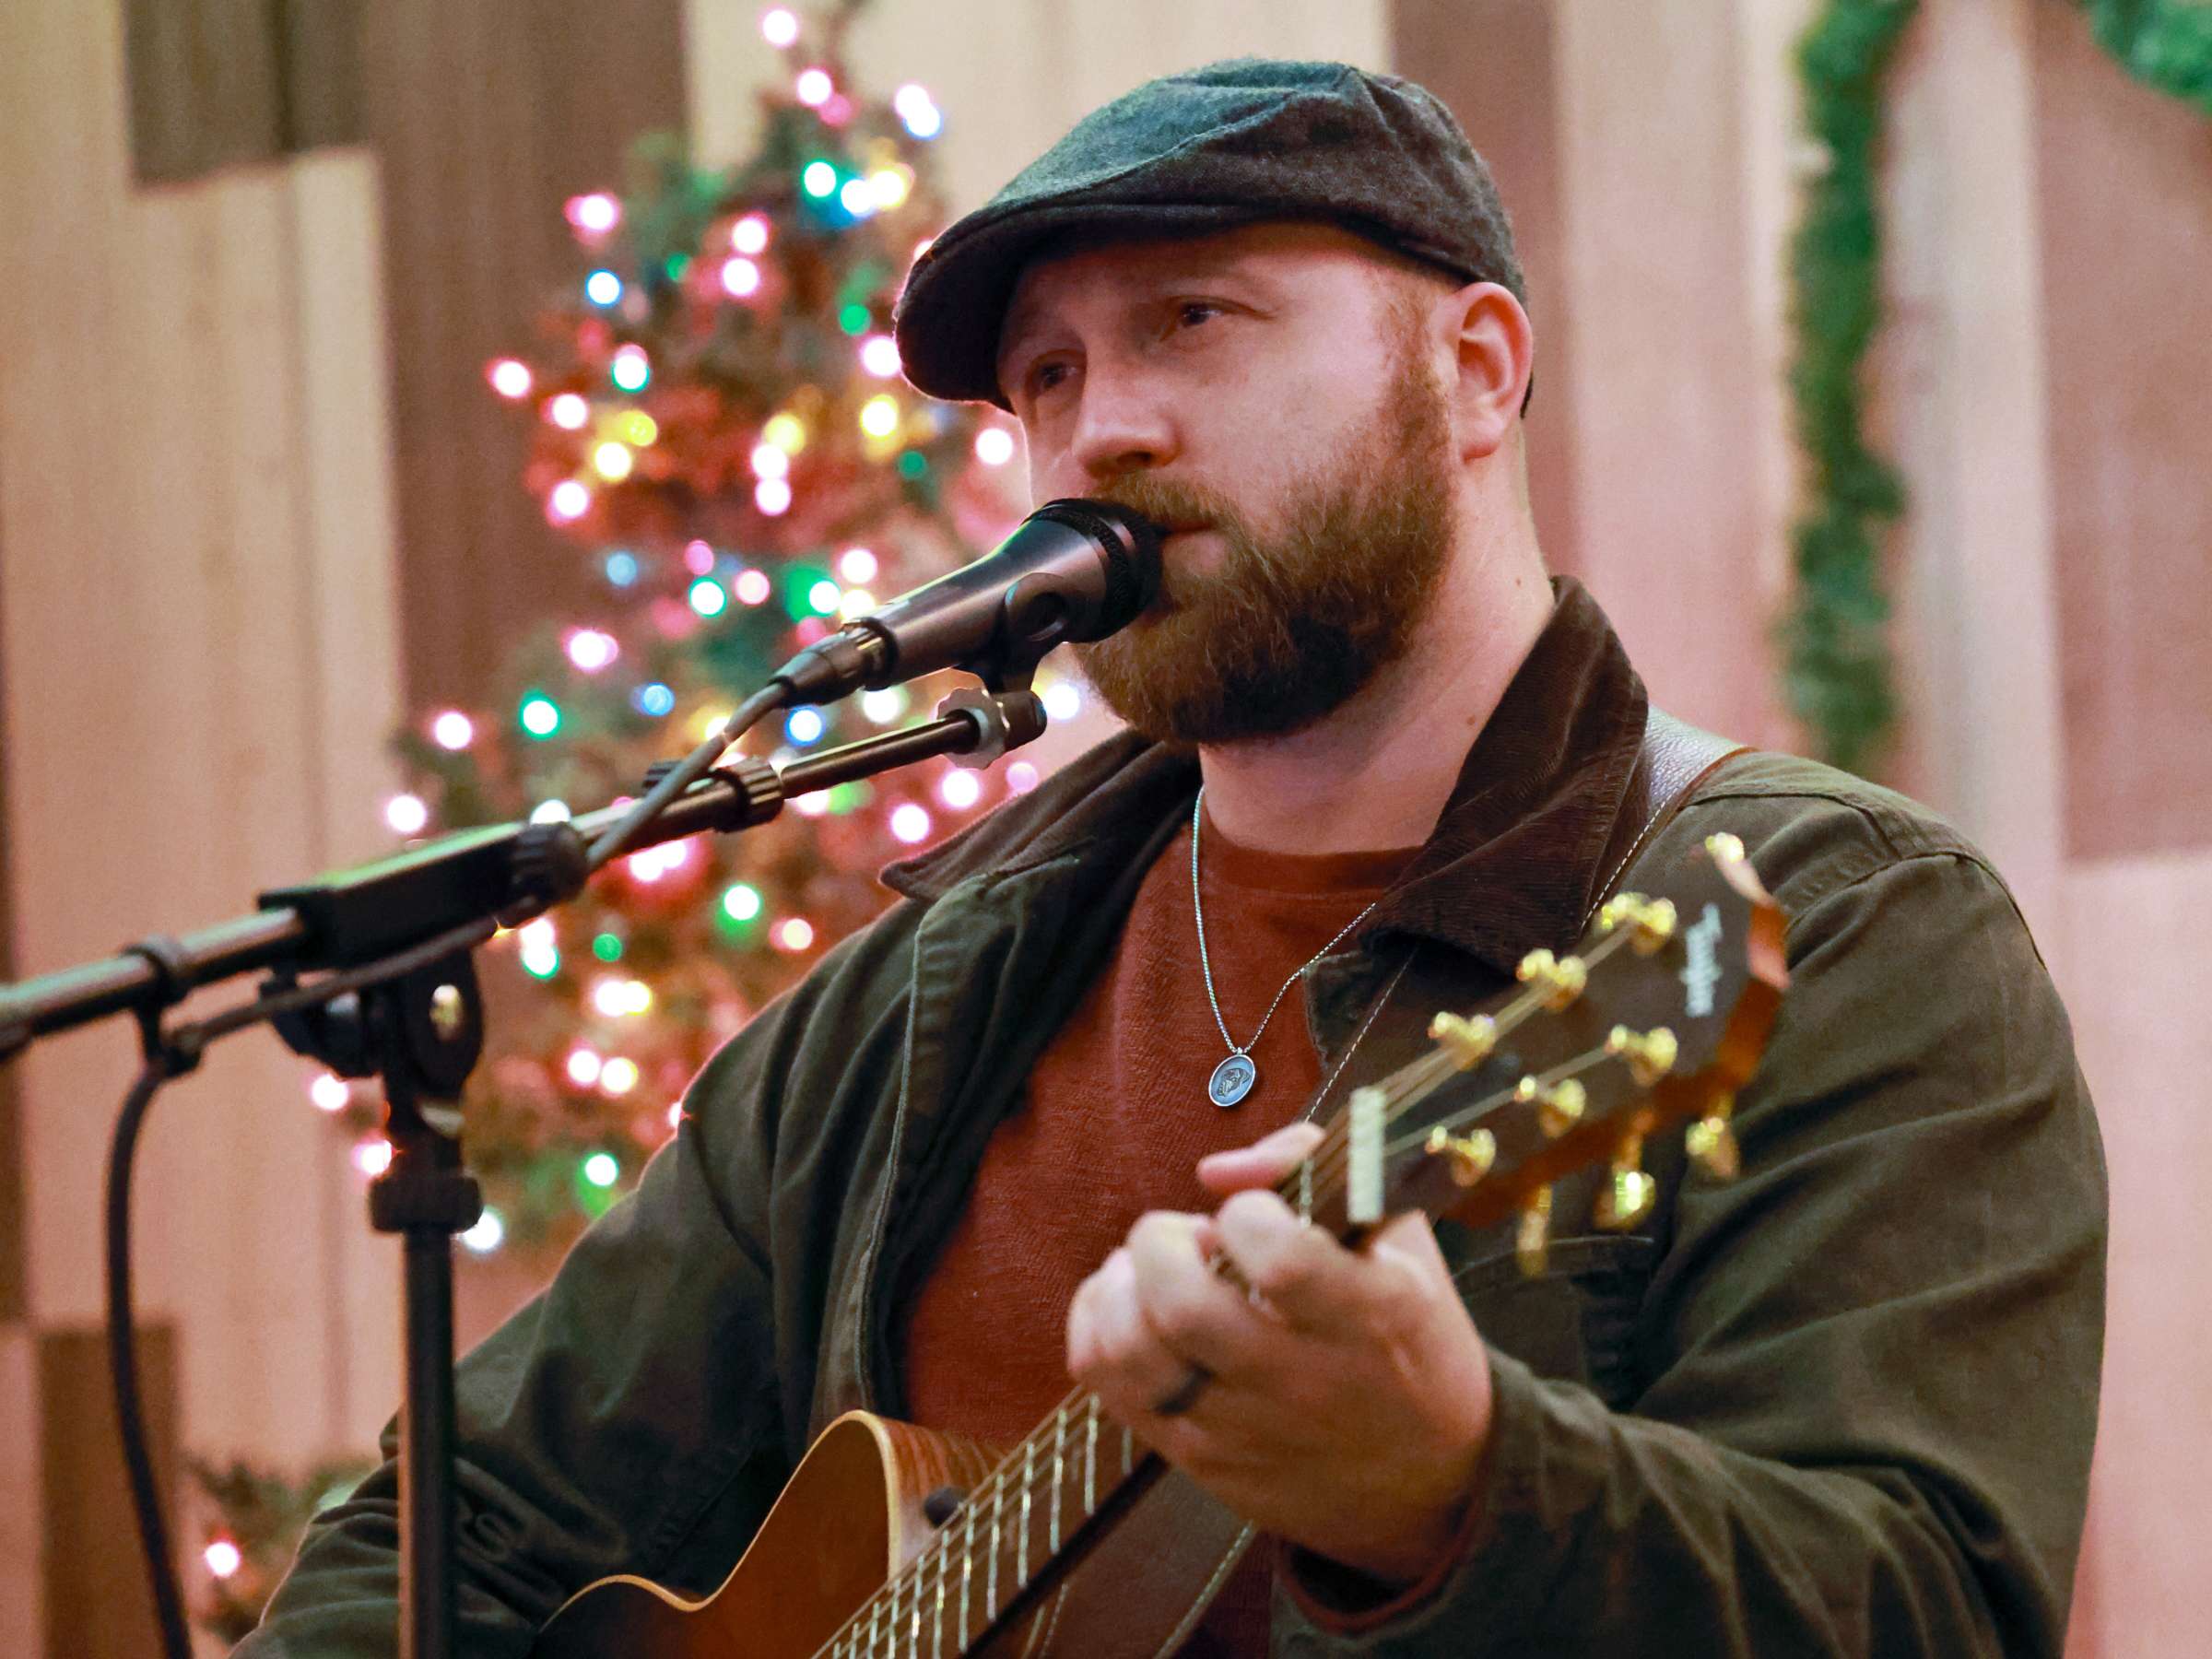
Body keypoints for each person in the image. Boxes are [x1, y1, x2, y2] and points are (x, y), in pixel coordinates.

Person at [241, 59, 2105, 1658]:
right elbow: (448, 1530)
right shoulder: (920, 999)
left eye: (1190, 324)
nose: (1098, 430)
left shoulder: (1822, 920)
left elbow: (1927, 1598)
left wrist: (1460, 1491)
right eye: (1045, 379)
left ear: (1473, 371)